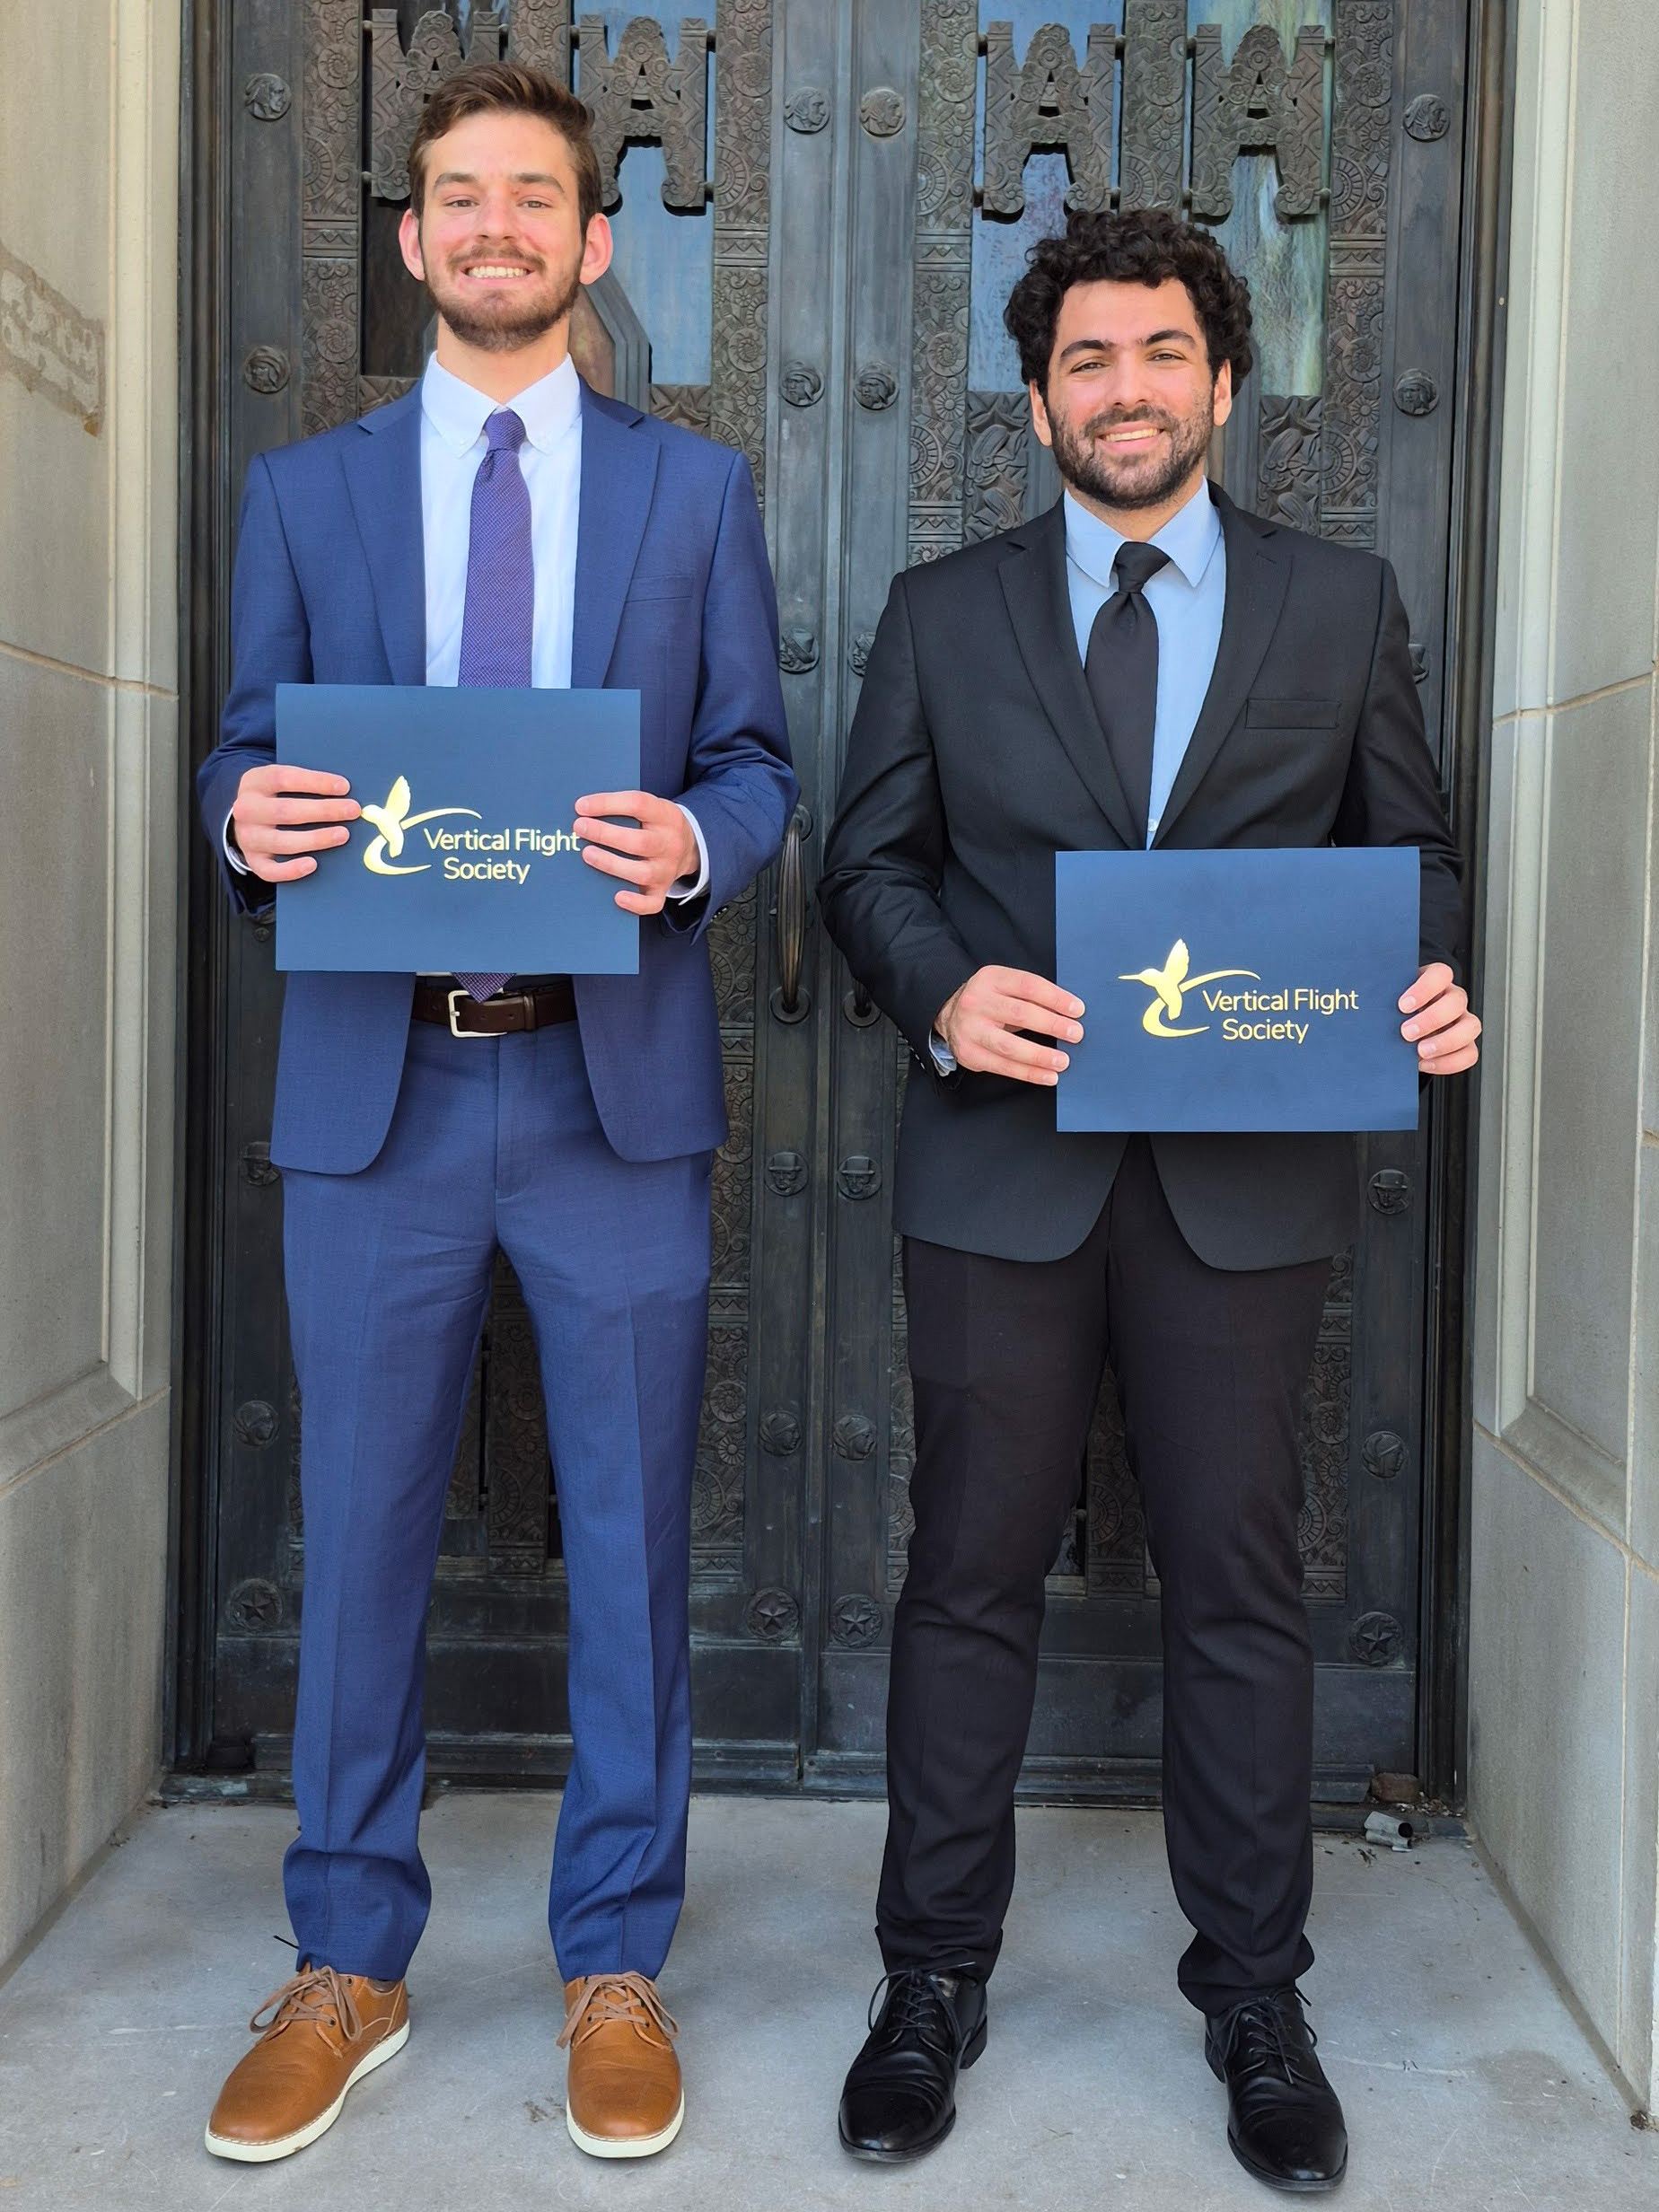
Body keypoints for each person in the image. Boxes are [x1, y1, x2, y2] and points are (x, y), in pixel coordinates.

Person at [818, 208, 1479, 2193]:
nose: (1128, 388)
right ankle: (929, 1978)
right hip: (1001, 1173)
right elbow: (867, 863)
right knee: (967, 1580)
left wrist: (1429, 968)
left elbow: (1414, 855)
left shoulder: (1341, 601)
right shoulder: (944, 613)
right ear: (1039, 401)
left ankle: (1256, 1994)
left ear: (1221, 376)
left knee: (1242, 1590)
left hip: (1246, 1186)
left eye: (1162, 352)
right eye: (1090, 359)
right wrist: (945, 986)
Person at [195, 62, 794, 2166]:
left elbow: (758, 764)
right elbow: (245, 756)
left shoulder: (689, 494)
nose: (496, 229)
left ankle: (611, 1958)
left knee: (631, 1538)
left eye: (534, 197)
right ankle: (348, 1960)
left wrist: (696, 847)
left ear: (591, 238)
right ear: (414, 236)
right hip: (380, 1086)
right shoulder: (306, 492)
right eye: (459, 198)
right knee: (357, 1532)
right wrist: (244, 822)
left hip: (609, 1081)